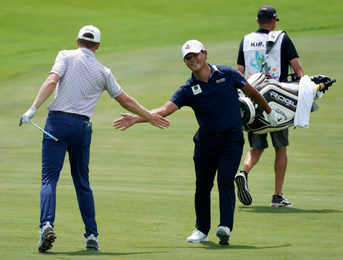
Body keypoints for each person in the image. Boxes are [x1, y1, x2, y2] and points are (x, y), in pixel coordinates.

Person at [19, 25, 170, 252]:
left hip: (57, 124)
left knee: (49, 179)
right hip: (83, 128)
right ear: (97, 46)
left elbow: (52, 81)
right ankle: (92, 236)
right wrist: (149, 116)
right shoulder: (103, 71)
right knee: (82, 183)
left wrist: (33, 108)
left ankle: (46, 225)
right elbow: (126, 100)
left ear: (78, 41)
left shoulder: (65, 55)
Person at [113, 40, 278, 245]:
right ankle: (201, 230)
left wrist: (269, 112)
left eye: (195, 55)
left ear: (205, 54)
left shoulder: (228, 74)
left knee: (225, 181)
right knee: (202, 186)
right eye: (188, 58)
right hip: (206, 142)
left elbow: (252, 92)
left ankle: (225, 227)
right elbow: (163, 111)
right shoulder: (188, 89)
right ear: (185, 62)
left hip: (231, 140)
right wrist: (136, 118)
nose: (193, 60)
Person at [235, 5, 305, 207]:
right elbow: (298, 70)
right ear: (274, 21)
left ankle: (243, 172)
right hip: (277, 102)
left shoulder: (246, 40)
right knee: (280, 147)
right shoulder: (282, 38)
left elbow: (239, 73)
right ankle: (277, 196)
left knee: (256, 147)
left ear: (257, 20)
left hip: (252, 102)